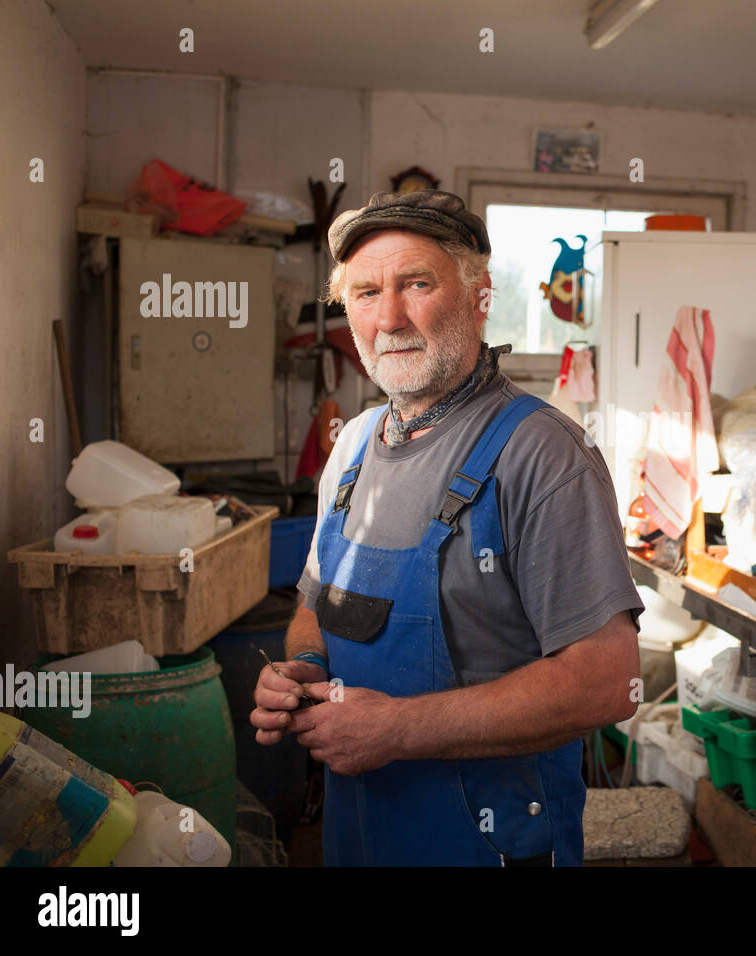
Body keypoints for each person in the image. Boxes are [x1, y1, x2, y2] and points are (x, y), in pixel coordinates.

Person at [250, 190, 644, 866]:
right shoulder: (350, 452)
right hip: (359, 837)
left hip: (489, 844)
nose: (391, 317)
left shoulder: (542, 454)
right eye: (367, 293)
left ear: (477, 295)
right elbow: (315, 605)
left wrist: (398, 730)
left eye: (417, 284)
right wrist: (304, 669)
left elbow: (608, 682)